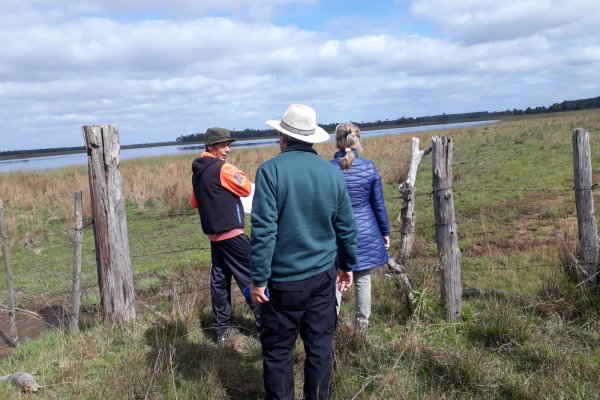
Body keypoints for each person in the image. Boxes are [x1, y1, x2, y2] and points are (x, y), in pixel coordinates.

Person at [249, 104, 357, 400]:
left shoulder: (270, 171)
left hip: (282, 283)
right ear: (311, 139)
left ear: (282, 137)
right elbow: (346, 227)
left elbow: (263, 231)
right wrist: (347, 265)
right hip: (323, 278)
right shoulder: (331, 172)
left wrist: (258, 279)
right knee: (320, 349)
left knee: (278, 354)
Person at [190, 127, 260, 345]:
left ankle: (222, 330)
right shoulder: (223, 169)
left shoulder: (198, 171)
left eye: (229, 145)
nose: (227, 149)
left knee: (219, 283)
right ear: (211, 147)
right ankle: (267, 325)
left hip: (214, 237)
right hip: (232, 235)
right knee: (252, 279)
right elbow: (246, 188)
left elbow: (194, 202)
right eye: (223, 145)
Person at [330, 122, 390, 331]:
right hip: (366, 231)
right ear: (358, 140)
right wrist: (385, 232)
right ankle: (361, 329)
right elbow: (378, 205)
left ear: (337, 142)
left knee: (337, 279)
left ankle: (331, 327)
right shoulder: (369, 167)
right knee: (363, 279)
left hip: (336, 233)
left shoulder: (328, 169)